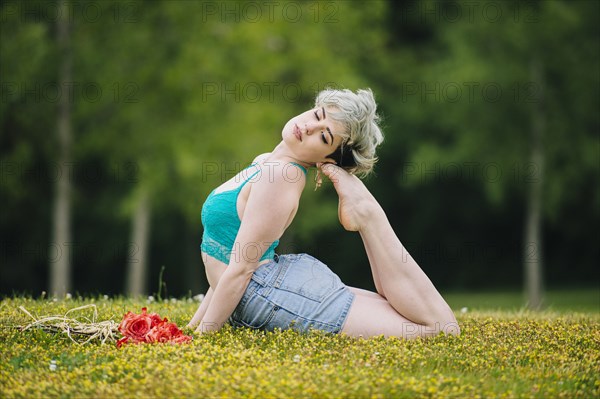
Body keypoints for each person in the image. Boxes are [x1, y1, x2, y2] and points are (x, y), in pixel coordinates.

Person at [187, 88, 459, 339]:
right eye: (318, 115)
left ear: (327, 159)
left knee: (440, 328)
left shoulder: (282, 175)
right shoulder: (265, 162)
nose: (308, 126)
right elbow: (227, 257)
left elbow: (241, 269)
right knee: (395, 309)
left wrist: (201, 338)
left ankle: (368, 213)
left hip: (267, 294)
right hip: (267, 285)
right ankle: (365, 212)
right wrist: (190, 328)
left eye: (324, 136)